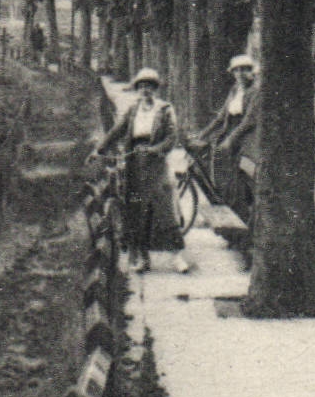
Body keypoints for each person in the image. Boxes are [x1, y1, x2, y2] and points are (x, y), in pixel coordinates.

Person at [94, 67, 191, 273]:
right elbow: (117, 130)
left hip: (155, 165)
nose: (145, 90)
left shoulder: (165, 109)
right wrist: (99, 149)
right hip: (134, 166)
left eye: (149, 86)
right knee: (137, 211)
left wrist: (154, 150)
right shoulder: (133, 109)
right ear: (137, 88)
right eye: (141, 86)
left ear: (155, 88)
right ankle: (143, 259)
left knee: (164, 208)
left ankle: (177, 258)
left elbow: (172, 137)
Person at [191, 54, 259, 222]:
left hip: (247, 138)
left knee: (239, 181)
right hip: (230, 133)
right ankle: (232, 220)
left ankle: (245, 223)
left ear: (252, 72)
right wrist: (202, 134)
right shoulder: (236, 89)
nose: (241, 74)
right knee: (223, 177)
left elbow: (249, 121)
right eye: (237, 71)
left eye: (245, 70)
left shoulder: (256, 91)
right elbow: (222, 117)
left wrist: (230, 141)